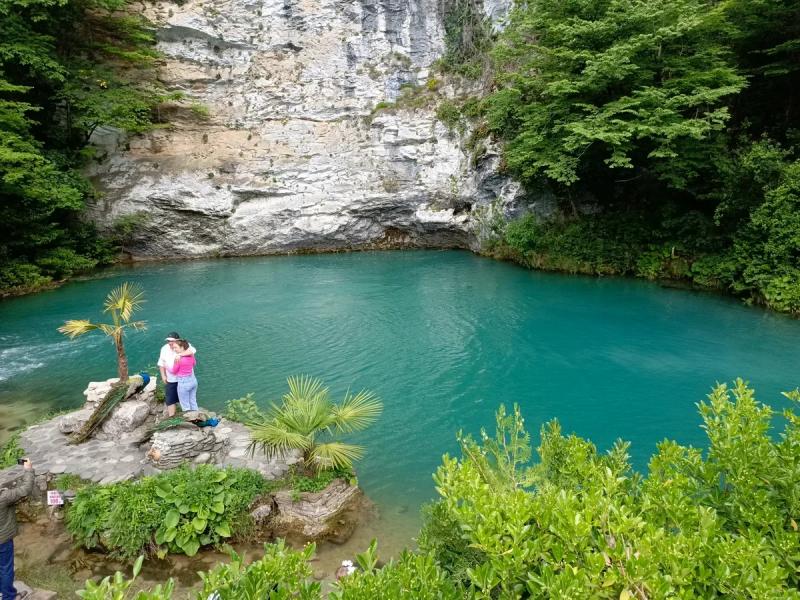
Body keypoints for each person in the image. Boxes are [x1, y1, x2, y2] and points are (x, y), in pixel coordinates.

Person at [0, 459, 34, 600]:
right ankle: (9, 596)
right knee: (6, 569)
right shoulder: (4, 497)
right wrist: (28, 469)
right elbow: (26, 489)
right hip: (3, 540)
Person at [157, 332, 196, 416]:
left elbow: (193, 351)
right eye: (168, 341)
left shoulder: (184, 345)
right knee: (170, 399)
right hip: (172, 379)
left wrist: (180, 355)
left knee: (188, 400)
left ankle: (192, 417)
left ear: (178, 340)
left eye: (172, 341)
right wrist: (163, 375)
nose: (170, 343)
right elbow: (161, 362)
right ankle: (172, 417)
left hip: (185, 378)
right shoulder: (164, 348)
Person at [168, 339, 198, 412]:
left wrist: (167, 366)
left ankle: (190, 420)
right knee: (193, 401)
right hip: (193, 381)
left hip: (183, 383)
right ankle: (198, 418)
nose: (174, 349)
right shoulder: (191, 355)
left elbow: (174, 371)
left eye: (176, 347)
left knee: (185, 405)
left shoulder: (178, 359)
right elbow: (194, 363)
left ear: (182, 347)